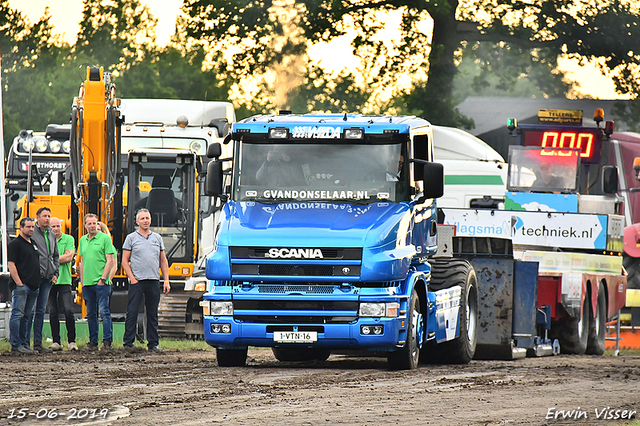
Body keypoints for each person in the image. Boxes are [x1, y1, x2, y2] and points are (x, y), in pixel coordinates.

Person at [122, 208, 170, 353]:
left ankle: (153, 344)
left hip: (153, 280)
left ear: (150, 220)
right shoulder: (131, 238)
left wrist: (166, 280)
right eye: (142, 218)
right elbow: (124, 260)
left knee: (152, 313)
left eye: (147, 218)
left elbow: (163, 260)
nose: (145, 221)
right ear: (137, 221)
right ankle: (128, 344)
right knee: (132, 311)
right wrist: (132, 278)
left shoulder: (157, 238)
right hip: (137, 281)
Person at [77, 213, 116, 351]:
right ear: (85, 225)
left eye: (94, 223)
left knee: (104, 312)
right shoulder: (83, 240)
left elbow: (110, 260)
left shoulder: (105, 238)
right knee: (91, 314)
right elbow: (82, 261)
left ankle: (107, 342)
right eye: (90, 223)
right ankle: (93, 342)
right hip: (87, 284)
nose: (92, 226)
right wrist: (82, 280)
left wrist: (103, 279)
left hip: (101, 283)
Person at [8, 218, 40, 354]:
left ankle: (24, 343)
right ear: (21, 228)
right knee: (18, 314)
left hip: (33, 286)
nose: (31, 229)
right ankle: (15, 345)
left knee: (27, 315)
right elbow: (11, 264)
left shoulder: (33, 243)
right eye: (28, 227)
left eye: (32, 227)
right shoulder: (15, 244)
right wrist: (19, 283)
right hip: (22, 286)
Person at [29, 207, 59, 353]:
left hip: (48, 279)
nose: (47, 218)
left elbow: (55, 256)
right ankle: (25, 344)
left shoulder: (52, 235)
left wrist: (56, 273)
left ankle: (38, 344)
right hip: (35, 278)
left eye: (49, 216)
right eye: (44, 216)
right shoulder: (32, 233)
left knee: (41, 311)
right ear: (38, 218)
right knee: (30, 311)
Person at [47, 217, 78, 351]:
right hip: (49, 281)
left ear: (61, 226)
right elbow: (63, 257)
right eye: (52, 226)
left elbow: (69, 257)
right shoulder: (46, 239)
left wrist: (51, 258)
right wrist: (61, 257)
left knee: (68, 311)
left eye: (57, 226)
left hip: (64, 280)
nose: (55, 229)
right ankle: (56, 341)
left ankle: (72, 341)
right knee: (53, 312)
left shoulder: (69, 239)